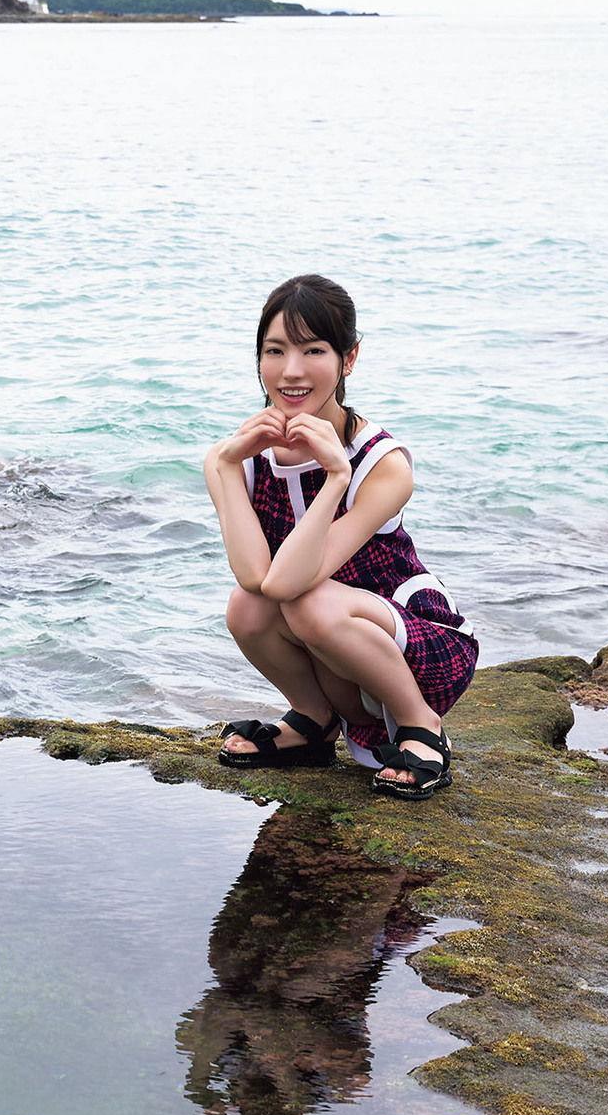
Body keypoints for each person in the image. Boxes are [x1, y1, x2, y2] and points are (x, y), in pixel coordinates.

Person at [202, 274, 478, 801]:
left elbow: (294, 584)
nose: (292, 371)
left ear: (348, 358)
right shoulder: (235, 457)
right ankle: (314, 720)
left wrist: (336, 477)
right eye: (275, 351)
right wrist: (227, 467)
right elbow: (257, 579)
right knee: (245, 606)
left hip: (414, 651)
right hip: (330, 659)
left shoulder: (382, 463)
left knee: (308, 602)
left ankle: (421, 726)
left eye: (313, 351)